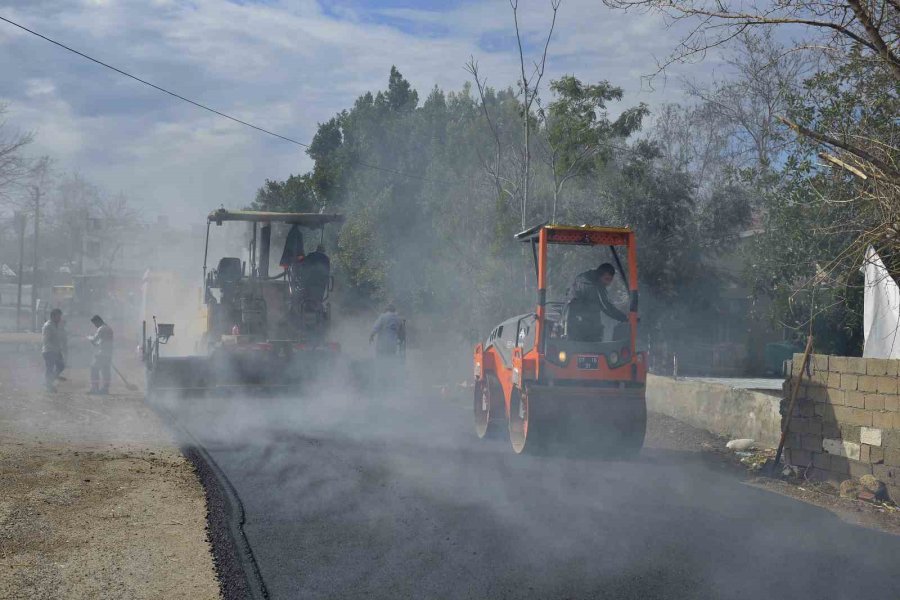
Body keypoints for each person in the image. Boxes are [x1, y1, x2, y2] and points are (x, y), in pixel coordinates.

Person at [87, 314, 114, 395]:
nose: (95, 325)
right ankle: (105, 388)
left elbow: (95, 340)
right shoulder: (109, 328)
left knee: (94, 369)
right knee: (106, 371)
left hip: (102, 353)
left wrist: (89, 338)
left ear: (98, 321)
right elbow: (103, 341)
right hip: (108, 353)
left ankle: (95, 388)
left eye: (95, 323)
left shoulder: (101, 329)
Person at [41, 308, 65, 392]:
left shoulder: (55, 325)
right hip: (49, 351)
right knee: (50, 368)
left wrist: (58, 350)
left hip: (55, 350)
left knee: (61, 366)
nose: (60, 318)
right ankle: (49, 385)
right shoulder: (48, 326)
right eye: (58, 316)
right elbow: (46, 340)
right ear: (53, 316)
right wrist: (54, 351)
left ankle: (48, 382)